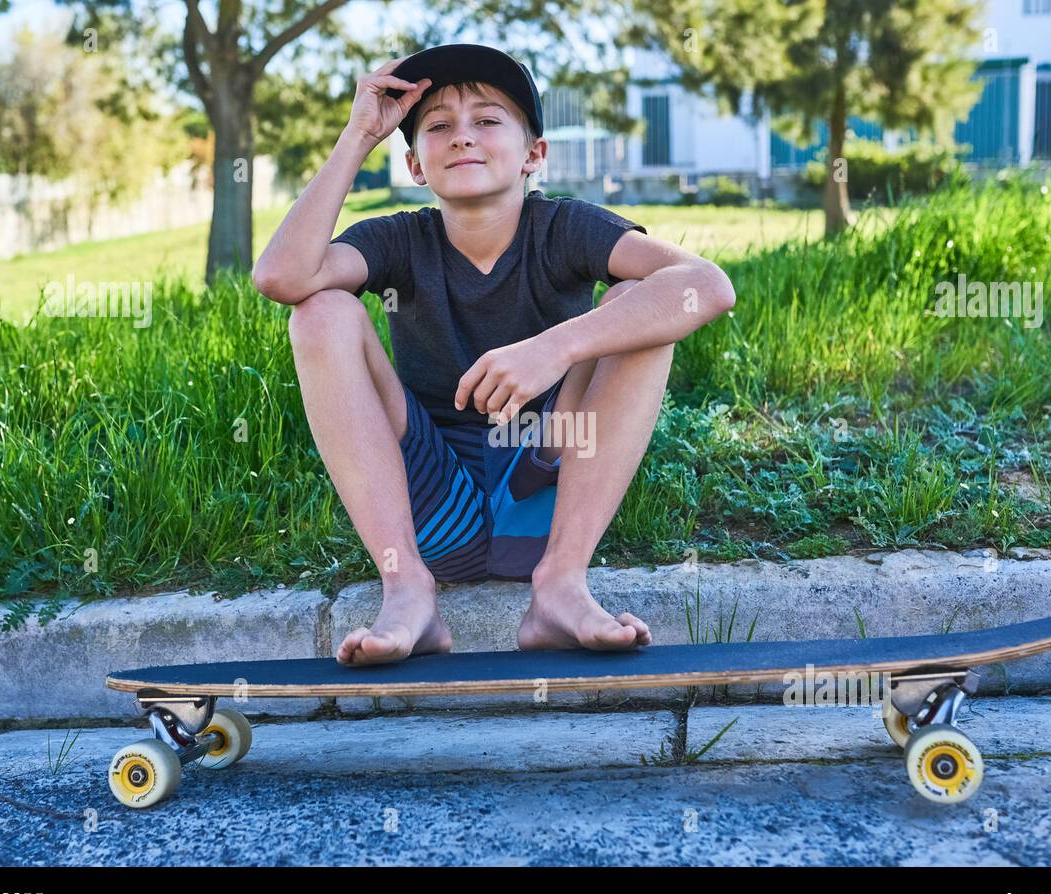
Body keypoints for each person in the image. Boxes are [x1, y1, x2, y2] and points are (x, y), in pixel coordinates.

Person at [253, 43, 735, 666]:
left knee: (640, 302)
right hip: (435, 510)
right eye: (439, 127)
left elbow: (708, 287)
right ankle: (407, 595)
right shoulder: (399, 239)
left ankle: (561, 586)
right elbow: (281, 278)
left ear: (534, 154)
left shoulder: (566, 229)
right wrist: (356, 136)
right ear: (416, 164)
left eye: (487, 120)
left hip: (547, 492)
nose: (463, 138)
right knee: (321, 310)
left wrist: (555, 348)